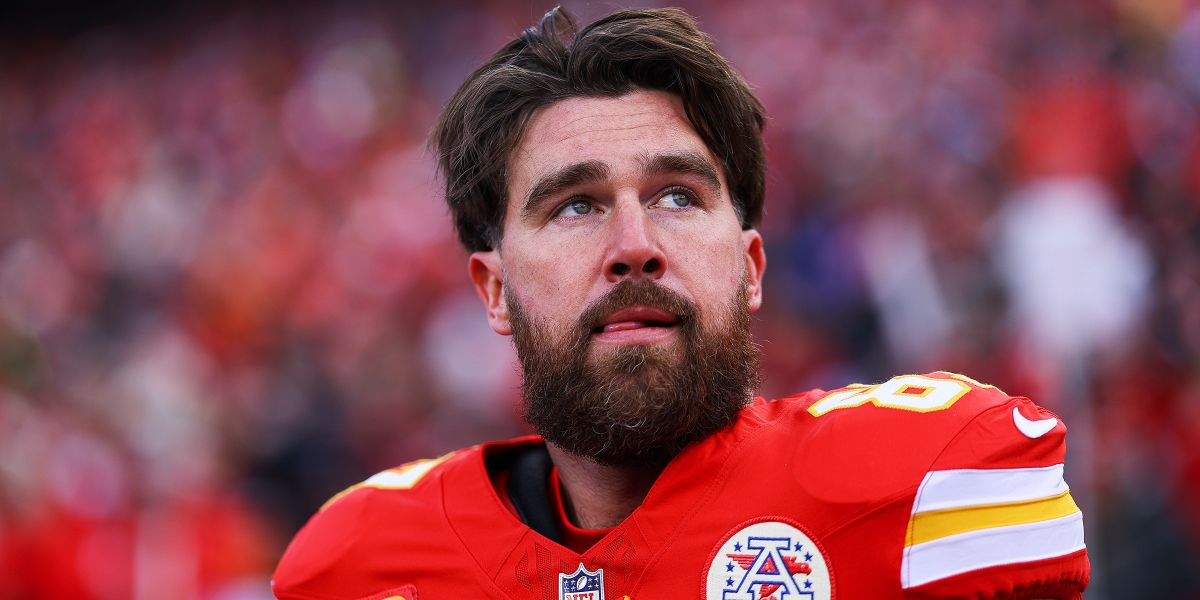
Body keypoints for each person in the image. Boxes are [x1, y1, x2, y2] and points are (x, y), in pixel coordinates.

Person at [272, 7, 1090, 599]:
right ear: (495, 291)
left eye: (677, 196)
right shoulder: (358, 560)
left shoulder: (934, 485)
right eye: (576, 206)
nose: (634, 244)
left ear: (751, 267)